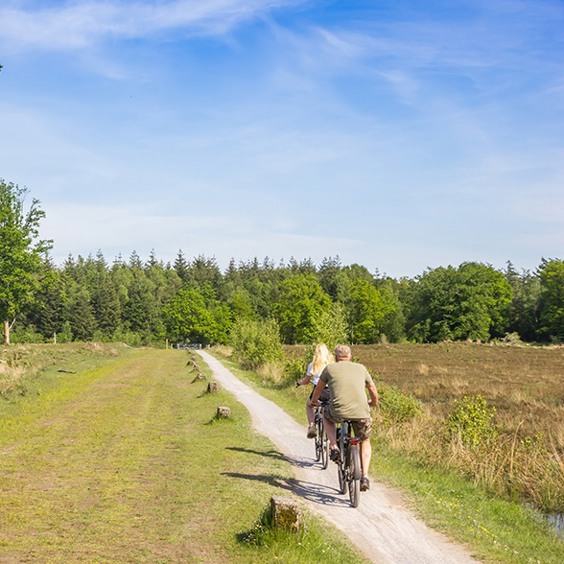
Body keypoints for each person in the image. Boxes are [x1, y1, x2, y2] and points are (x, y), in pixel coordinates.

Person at [308, 344, 379, 492]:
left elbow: (319, 388)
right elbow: (372, 388)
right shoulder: (361, 368)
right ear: (350, 356)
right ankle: (365, 476)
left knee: (326, 416)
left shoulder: (330, 369)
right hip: (361, 413)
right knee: (365, 440)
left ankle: (333, 447)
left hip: (338, 411)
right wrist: (374, 402)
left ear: (335, 357)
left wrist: (314, 401)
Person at [296, 343, 334, 439]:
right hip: (331, 391)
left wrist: (300, 383)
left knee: (309, 405)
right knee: (330, 408)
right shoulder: (332, 364)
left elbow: (306, 381)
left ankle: (312, 426)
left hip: (319, 391)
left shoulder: (313, 365)